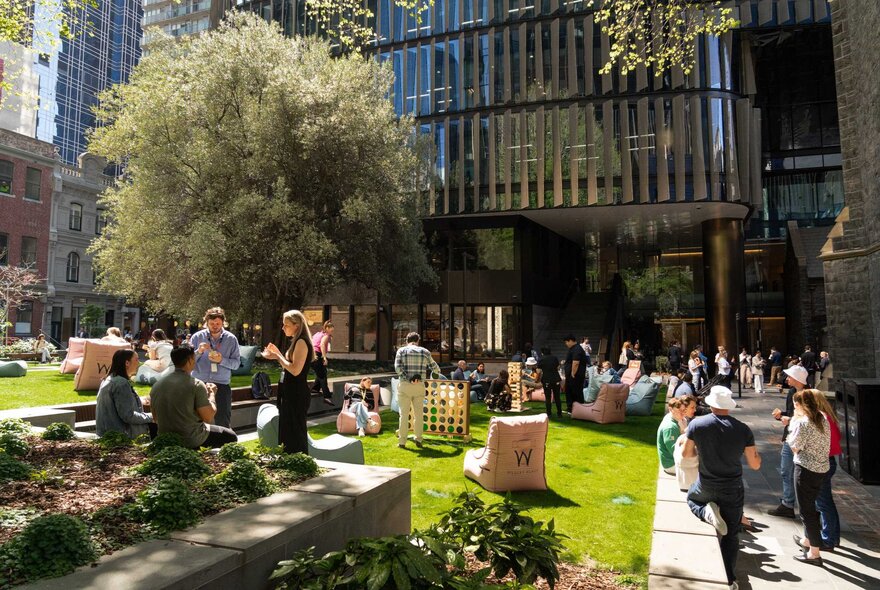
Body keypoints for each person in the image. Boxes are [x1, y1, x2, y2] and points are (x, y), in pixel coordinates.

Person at [683, 386, 761, 589]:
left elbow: (686, 454)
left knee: (692, 499)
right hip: (732, 488)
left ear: (710, 404)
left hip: (705, 484)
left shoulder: (697, 424)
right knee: (732, 534)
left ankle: (705, 512)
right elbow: (755, 464)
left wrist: (703, 453)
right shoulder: (743, 429)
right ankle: (729, 579)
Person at [149, 347, 237, 449]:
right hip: (191, 439)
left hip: (165, 438)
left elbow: (155, 418)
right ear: (190, 360)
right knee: (231, 436)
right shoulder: (196, 384)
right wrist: (212, 394)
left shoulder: (157, 385)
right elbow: (208, 417)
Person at [788, 389, 831, 565]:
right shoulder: (822, 417)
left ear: (800, 405)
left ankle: (814, 553)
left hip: (805, 469)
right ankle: (808, 540)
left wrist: (793, 423)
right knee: (811, 505)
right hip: (821, 468)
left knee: (807, 510)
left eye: (795, 405)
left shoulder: (803, 422)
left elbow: (794, 446)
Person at [262, 310, 313, 454]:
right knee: (287, 432)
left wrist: (278, 357)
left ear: (297, 325)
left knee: (295, 433)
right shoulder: (296, 341)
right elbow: (289, 367)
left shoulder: (301, 342)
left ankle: (298, 461)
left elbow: (295, 370)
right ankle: (289, 460)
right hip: (289, 392)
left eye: (286, 325)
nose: (283, 328)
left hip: (296, 394)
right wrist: (277, 353)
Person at [768, 364, 808, 519]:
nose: (787, 379)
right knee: (786, 471)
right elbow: (792, 414)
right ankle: (787, 503)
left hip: (802, 439)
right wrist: (782, 415)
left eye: (790, 376)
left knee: (802, 474)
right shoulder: (791, 392)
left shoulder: (808, 395)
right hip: (789, 437)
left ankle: (807, 507)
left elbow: (808, 419)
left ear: (797, 378)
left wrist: (789, 420)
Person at [189, 307, 241, 429]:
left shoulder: (231, 339)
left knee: (222, 421)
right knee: (195, 419)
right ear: (206, 323)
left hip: (221, 385)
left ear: (223, 323)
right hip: (199, 384)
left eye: (218, 323)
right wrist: (199, 352)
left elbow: (236, 364)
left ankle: (222, 441)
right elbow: (188, 362)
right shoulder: (197, 337)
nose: (215, 326)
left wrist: (221, 360)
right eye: (212, 323)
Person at [394, 332, 441, 449]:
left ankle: (402, 442)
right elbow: (436, 368)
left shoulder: (401, 351)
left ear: (407, 340)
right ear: (418, 341)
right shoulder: (425, 352)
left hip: (405, 385)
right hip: (419, 386)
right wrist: (434, 375)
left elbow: (397, 368)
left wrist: (408, 378)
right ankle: (418, 439)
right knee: (419, 415)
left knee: (403, 415)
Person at [96, 349, 155, 439]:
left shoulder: (108, 380)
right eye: (136, 359)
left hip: (109, 436)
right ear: (127, 363)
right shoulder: (121, 383)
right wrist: (152, 417)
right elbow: (128, 416)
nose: (139, 363)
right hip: (121, 439)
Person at [813, 392, 841, 550]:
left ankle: (828, 539)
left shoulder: (821, 418)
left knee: (823, 503)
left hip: (822, 461)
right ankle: (832, 537)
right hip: (828, 460)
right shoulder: (828, 417)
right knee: (825, 501)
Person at [658, 398, 687, 475]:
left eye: (684, 410)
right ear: (670, 409)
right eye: (679, 410)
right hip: (671, 464)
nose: (683, 413)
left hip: (673, 461)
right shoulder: (670, 427)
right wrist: (684, 432)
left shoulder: (675, 419)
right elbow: (674, 451)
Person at [310, 320, 335, 405]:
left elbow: (311, 342)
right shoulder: (326, 335)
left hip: (311, 354)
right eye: (331, 330)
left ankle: (315, 389)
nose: (331, 332)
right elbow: (322, 345)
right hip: (317, 355)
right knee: (323, 375)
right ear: (327, 328)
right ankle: (327, 397)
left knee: (321, 372)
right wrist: (324, 357)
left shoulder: (317, 334)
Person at [564, 334, 588, 412]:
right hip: (572, 375)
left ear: (571, 341)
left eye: (566, 342)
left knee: (576, 392)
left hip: (576, 375)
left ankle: (578, 409)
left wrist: (573, 373)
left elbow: (576, 362)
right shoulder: (573, 348)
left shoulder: (577, 349)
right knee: (569, 391)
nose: (566, 344)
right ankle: (571, 408)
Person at [536, 346, 562, 418]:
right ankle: (559, 413)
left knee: (548, 397)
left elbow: (538, 371)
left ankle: (549, 413)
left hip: (546, 379)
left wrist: (537, 379)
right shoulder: (554, 358)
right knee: (557, 397)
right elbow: (558, 367)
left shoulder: (541, 359)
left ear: (542, 352)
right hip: (556, 379)